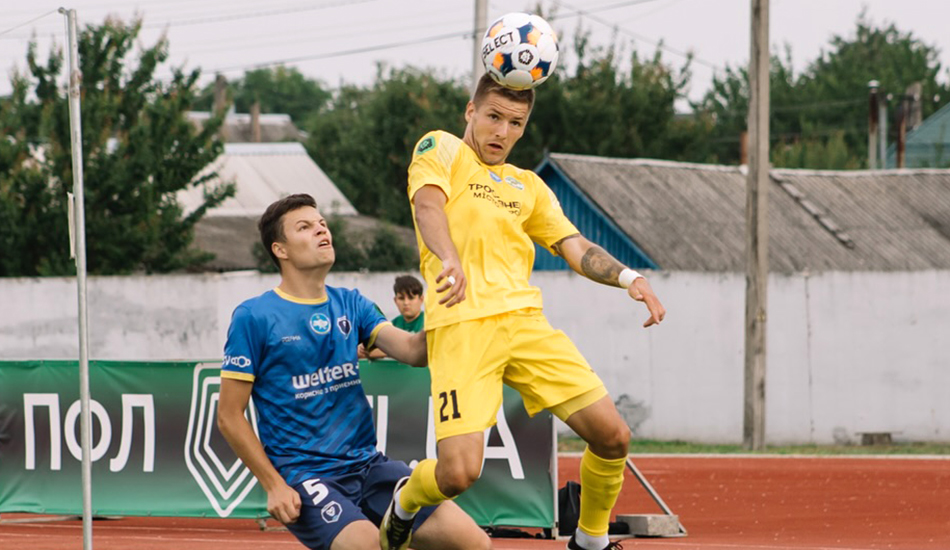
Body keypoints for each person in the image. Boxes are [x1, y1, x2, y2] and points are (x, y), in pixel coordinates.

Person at [379, 74, 666, 550]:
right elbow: (428, 206)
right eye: (493, 117)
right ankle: (407, 498)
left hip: (525, 324)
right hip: (461, 324)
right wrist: (449, 257)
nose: (502, 132)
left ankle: (590, 542)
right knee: (457, 474)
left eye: (515, 123)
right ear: (470, 111)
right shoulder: (440, 148)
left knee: (613, 436)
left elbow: (574, 245)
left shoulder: (527, 185)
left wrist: (628, 278)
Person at [217, 194, 490, 550]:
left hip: (369, 466)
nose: (321, 230)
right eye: (305, 227)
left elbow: (413, 351)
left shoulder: (352, 303)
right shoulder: (253, 316)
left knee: (474, 543)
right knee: (370, 546)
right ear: (280, 250)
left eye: (322, 224)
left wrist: (451, 306)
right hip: (307, 475)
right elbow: (229, 415)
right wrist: (273, 484)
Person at [362, 275, 426, 360]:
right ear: (395, 300)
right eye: (401, 298)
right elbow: (370, 349)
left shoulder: (429, 323)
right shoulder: (390, 325)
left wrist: (384, 351)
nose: (406, 303)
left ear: (421, 299)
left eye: (411, 298)